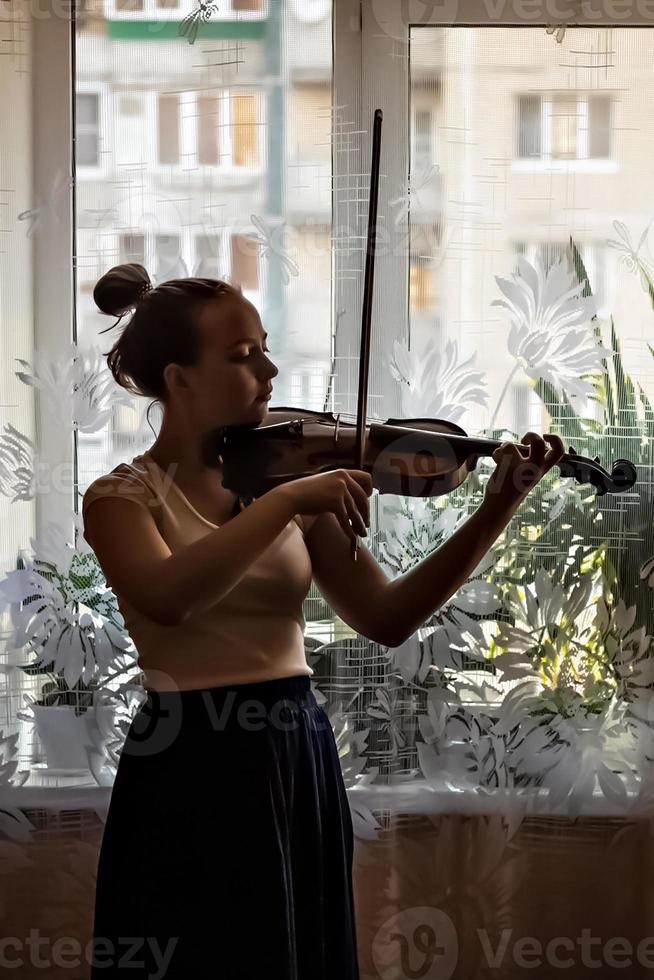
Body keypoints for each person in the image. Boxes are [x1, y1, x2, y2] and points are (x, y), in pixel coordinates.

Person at [83, 262, 565, 979]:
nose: (271, 370)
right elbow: (168, 597)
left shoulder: (289, 483)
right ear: (179, 379)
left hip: (291, 747)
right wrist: (287, 504)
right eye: (244, 357)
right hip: (191, 758)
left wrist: (496, 510)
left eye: (266, 347)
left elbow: (387, 616)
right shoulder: (121, 498)